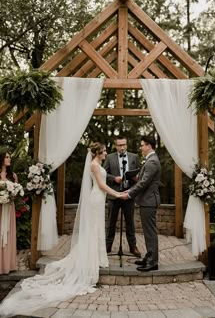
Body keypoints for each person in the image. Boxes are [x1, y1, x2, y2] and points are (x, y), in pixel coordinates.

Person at [0, 142, 123, 317]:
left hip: (99, 199)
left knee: (97, 230)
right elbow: (102, 186)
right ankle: (93, 258)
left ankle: (98, 257)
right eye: (104, 151)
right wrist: (118, 194)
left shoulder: (98, 164)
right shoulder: (94, 165)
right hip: (97, 197)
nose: (106, 153)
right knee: (94, 229)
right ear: (98, 153)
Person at [120, 136, 161, 272]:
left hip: (149, 201)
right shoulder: (150, 160)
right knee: (148, 231)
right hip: (146, 200)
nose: (140, 148)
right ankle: (148, 258)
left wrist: (130, 194)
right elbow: (142, 181)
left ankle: (152, 262)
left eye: (142, 145)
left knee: (150, 232)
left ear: (149, 146)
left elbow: (144, 183)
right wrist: (129, 189)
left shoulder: (152, 162)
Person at [104, 136, 141, 257]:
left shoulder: (134, 157)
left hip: (128, 194)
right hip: (113, 195)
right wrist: (114, 178)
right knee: (111, 222)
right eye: (120, 145)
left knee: (130, 222)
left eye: (124, 144)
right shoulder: (109, 157)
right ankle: (107, 246)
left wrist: (135, 178)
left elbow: (139, 173)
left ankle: (132, 246)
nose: (122, 147)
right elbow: (103, 173)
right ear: (116, 146)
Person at [0, 150, 18, 275]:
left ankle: (8, 265)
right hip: (0, 209)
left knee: (8, 234)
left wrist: (11, 196)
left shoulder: (13, 176)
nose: (9, 159)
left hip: (9, 208)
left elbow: (16, 193)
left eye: (9, 157)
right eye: (6, 157)